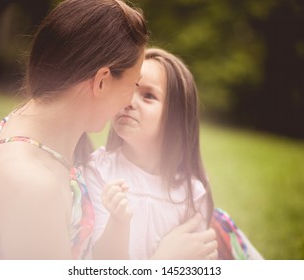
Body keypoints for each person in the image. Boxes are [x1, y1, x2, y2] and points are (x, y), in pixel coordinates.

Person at [0, 0, 149, 260]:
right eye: (134, 83)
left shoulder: (25, 128)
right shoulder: (32, 186)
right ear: (101, 81)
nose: (130, 100)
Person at [84, 47, 263, 260]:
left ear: (176, 119)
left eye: (148, 96)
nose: (129, 102)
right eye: (128, 89)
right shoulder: (98, 171)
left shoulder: (191, 192)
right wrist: (118, 222)